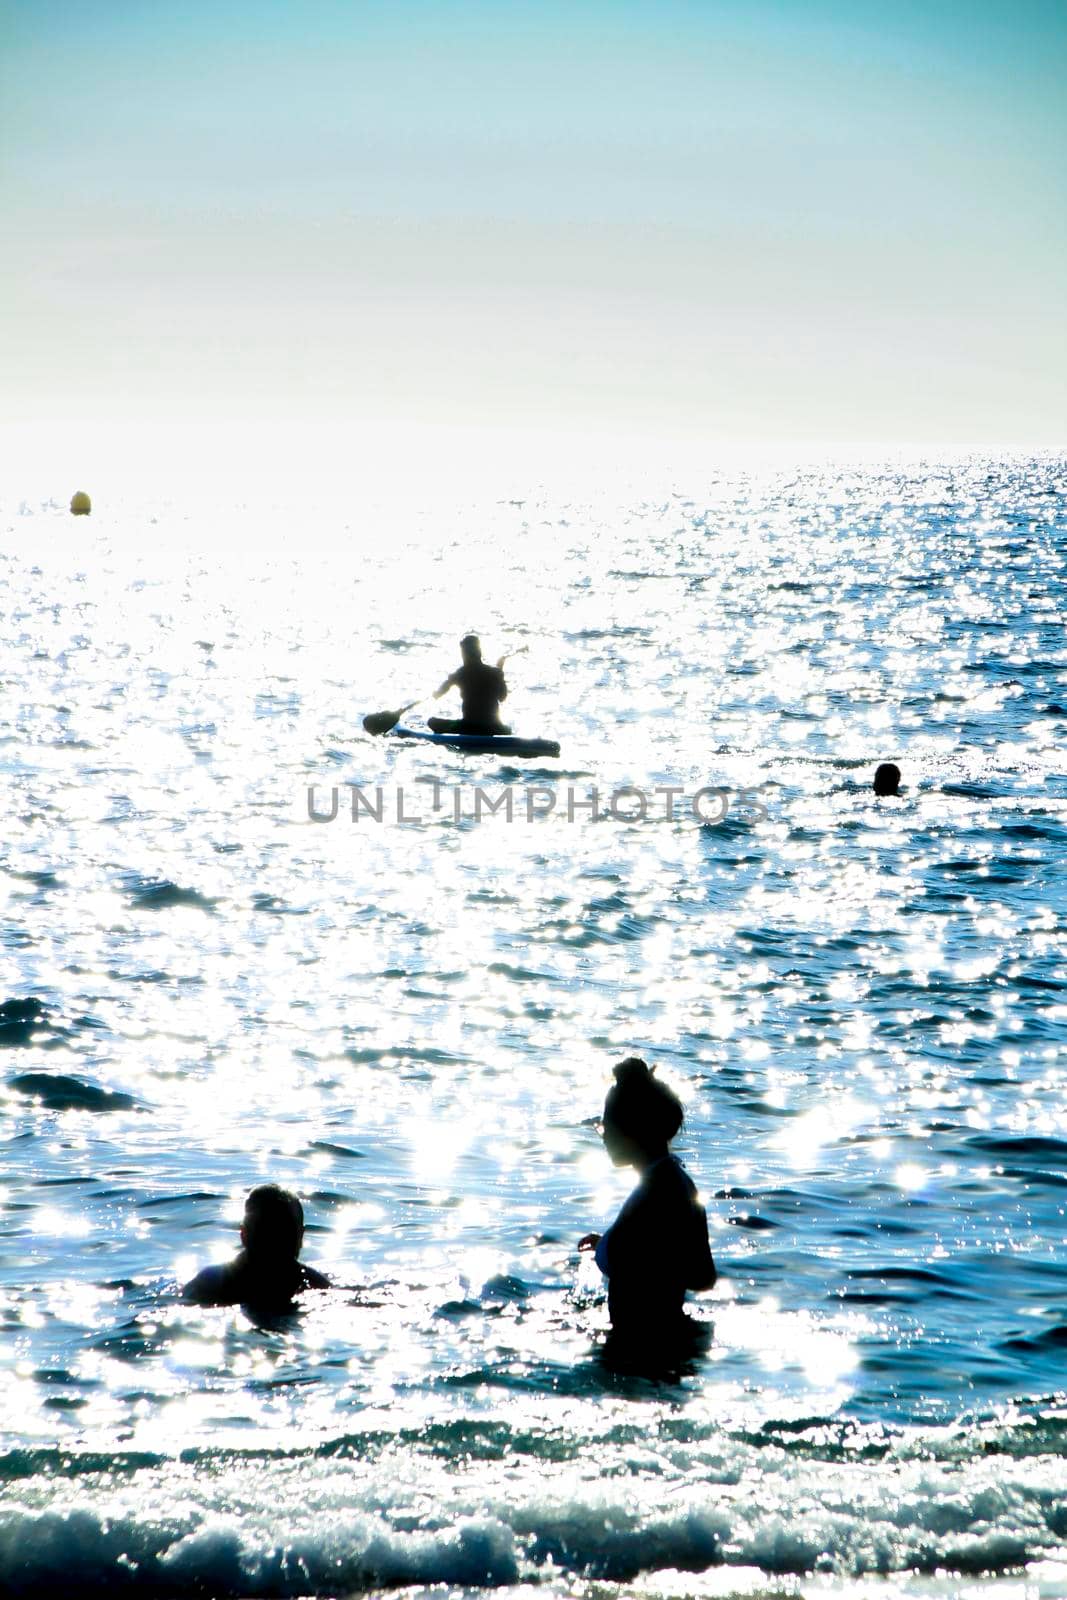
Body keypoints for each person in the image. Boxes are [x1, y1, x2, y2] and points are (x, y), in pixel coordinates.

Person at [578, 1058, 716, 1347]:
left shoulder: (656, 1191)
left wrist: (620, 1247)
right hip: (669, 1340)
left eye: (607, 1125)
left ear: (632, 1128)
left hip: (642, 1347)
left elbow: (663, 1263)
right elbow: (702, 1275)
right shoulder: (677, 1182)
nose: (603, 1135)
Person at [182, 1184, 329, 1310]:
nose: (273, 1244)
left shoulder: (210, 1281)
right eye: (267, 1233)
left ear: (244, 1234)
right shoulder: (316, 1284)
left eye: (280, 1234)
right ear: (300, 1237)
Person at [428, 634, 510, 736]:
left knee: (432, 722)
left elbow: (440, 692)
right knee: (508, 730)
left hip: (469, 727)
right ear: (479, 652)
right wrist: (500, 672)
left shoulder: (460, 673)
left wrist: (436, 693)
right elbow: (502, 697)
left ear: (465, 654)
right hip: (494, 728)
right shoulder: (495, 673)